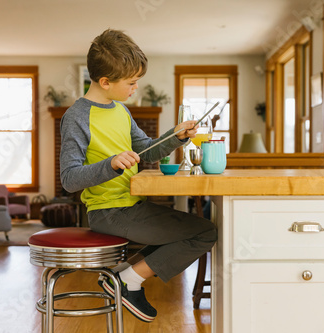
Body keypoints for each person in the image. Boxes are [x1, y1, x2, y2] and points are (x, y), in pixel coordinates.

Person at [60, 29, 217, 323]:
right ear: (105, 82)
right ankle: (126, 281)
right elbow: (69, 178)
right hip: (108, 211)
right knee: (205, 232)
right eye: (131, 82)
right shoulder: (77, 117)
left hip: (130, 205)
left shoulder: (121, 111)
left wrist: (176, 135)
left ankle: (123, 276)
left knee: (195, 231)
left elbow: (146, 150)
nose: (135, 88)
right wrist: (112, 164)